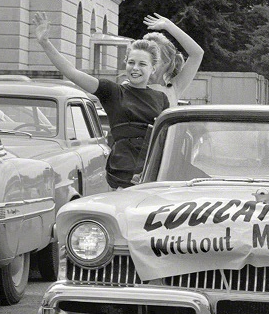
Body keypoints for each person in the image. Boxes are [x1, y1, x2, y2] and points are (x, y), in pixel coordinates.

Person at [32, 12, 201, 189]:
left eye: (142, 64)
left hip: (157, 172)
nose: (135, 68)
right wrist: (45, 43)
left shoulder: (162, 98)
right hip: (124, 174)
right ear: (125, 62)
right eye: (131, 63)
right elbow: (72, 72)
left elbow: (166, 138)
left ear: (153, 68)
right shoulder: (112, 91)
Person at [141, 13, 205, 107]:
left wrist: (168, 25)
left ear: (166, 62)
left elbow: (197, 54)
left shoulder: (174, 87)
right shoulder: (131, 85)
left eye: (153, 57)